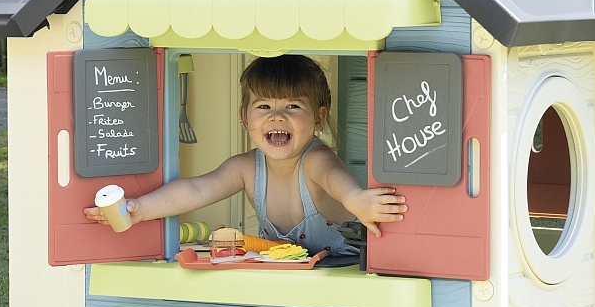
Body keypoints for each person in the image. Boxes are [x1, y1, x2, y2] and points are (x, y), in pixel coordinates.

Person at [83, 54, 405, 254]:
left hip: (341, 277)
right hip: (289, 282)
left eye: (293, 106)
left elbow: (335, 179)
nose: (277, 117)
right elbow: (196, 189)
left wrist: (357, 200)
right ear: (244, 118)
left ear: (319, 119)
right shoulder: (247, 168)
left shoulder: (314, 161)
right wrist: (141, 208)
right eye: (263, 106)